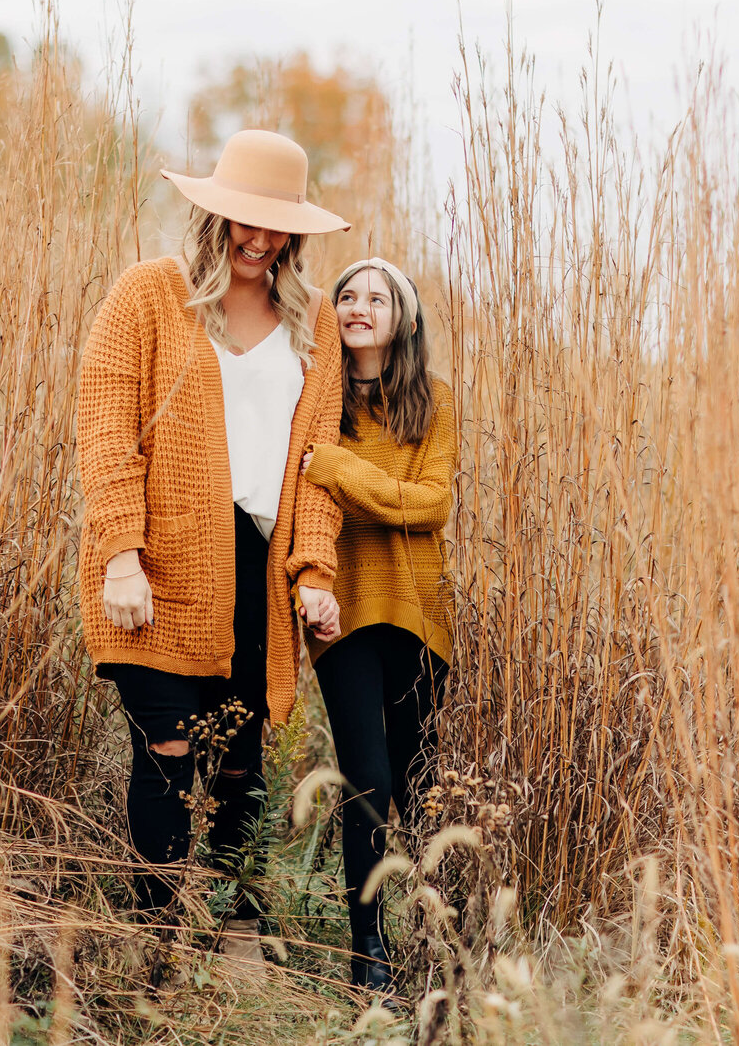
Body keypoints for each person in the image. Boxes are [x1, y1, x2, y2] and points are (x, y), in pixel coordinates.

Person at [76, 129, 348, 956]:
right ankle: (153, 945)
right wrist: (122, 551)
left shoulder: (316, 322)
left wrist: (314, 567)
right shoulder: (149, 295)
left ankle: (234, 936)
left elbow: (318, 465)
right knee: (166, 749)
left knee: (237, 759)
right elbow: (104, 427)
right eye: (246, 221)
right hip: (158, 561)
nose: (260, 241)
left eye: (278, 227)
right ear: (214, 215)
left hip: (256, 567)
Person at [300, 257, 457, 991]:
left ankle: (434, 931)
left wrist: (338, 469)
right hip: (344, 615)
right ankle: (368, 945)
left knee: (418, 779)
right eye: (348, 295)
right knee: (366, 777)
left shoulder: (435, 404)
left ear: (406, 319)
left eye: (378, 297)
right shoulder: (316, 403)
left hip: (421, 616)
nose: (360, 305)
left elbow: (429, 505)